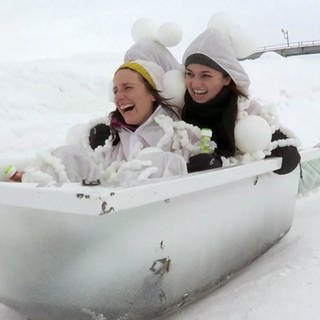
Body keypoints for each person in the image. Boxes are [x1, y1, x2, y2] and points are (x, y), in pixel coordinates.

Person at [9, 59, 200, 184]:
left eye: (127, 88)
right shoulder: (114, 136)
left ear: (152, 93)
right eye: (116, 90)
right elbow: (96, 169)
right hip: (102, 206)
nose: (119, 97)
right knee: (69, 153)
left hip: (148, 214)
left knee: (154, 160)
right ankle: (31, 185)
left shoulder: (178, 134)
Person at [180, 26, 301, 174]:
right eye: (189, 74)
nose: (195, 83)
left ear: (226, 78)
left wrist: (282, 149)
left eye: (206, 75)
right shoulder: (177, 111)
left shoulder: (245, 110)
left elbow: (271, 135)